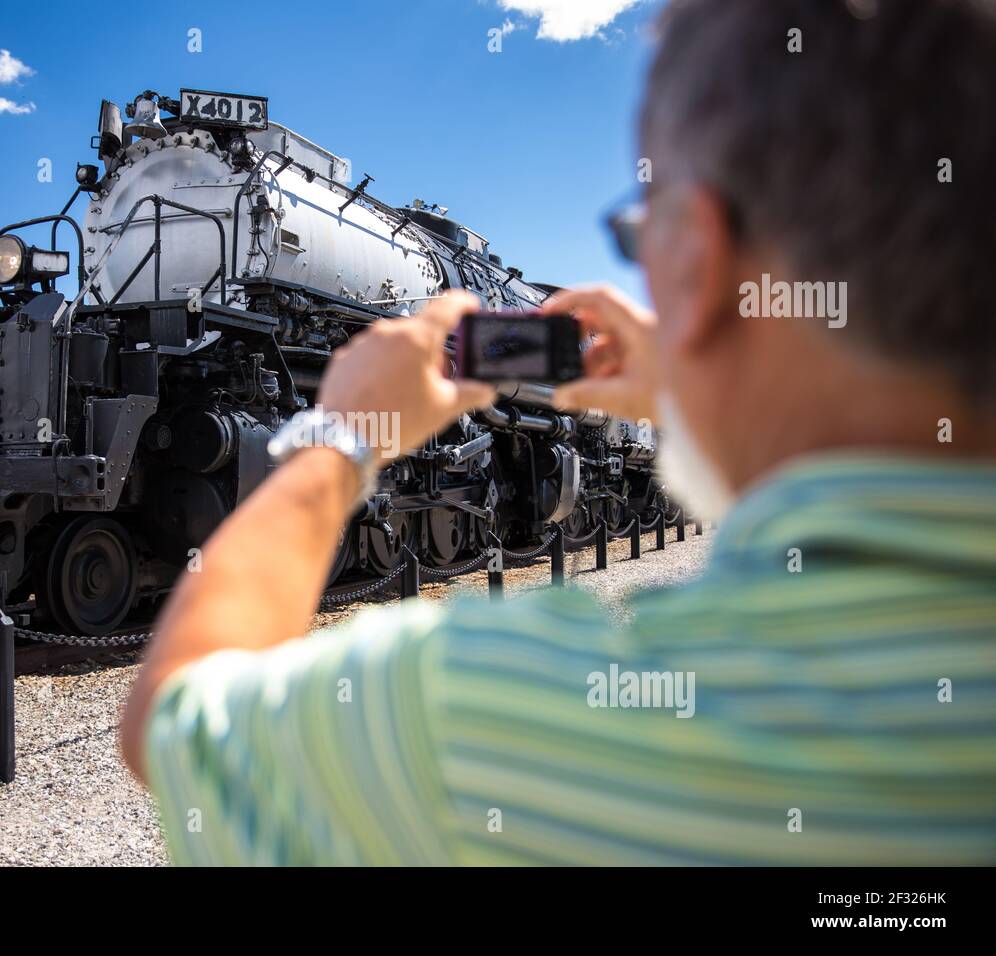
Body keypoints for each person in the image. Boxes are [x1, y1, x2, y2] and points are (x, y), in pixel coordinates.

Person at [119, 0, 996, 865]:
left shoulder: (489, 723)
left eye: (640, 238)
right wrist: (697, 384)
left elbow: (175, 729)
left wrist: (345, 436)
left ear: (695, 255)